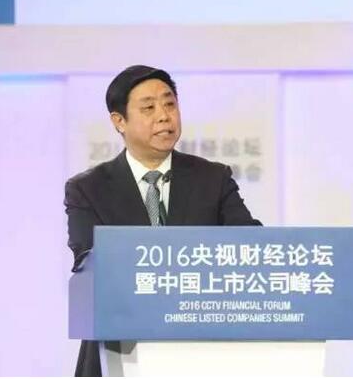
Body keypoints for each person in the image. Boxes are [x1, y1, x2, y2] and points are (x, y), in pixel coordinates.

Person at [64, 65, 261, 376]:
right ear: (119, 121)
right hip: (119, 350)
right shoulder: (88, 189)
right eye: (149, 108)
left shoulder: (213, 178)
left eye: (170, 104)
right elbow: (89, 262)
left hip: (201, 351)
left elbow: (252, 247)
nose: (164, 116)